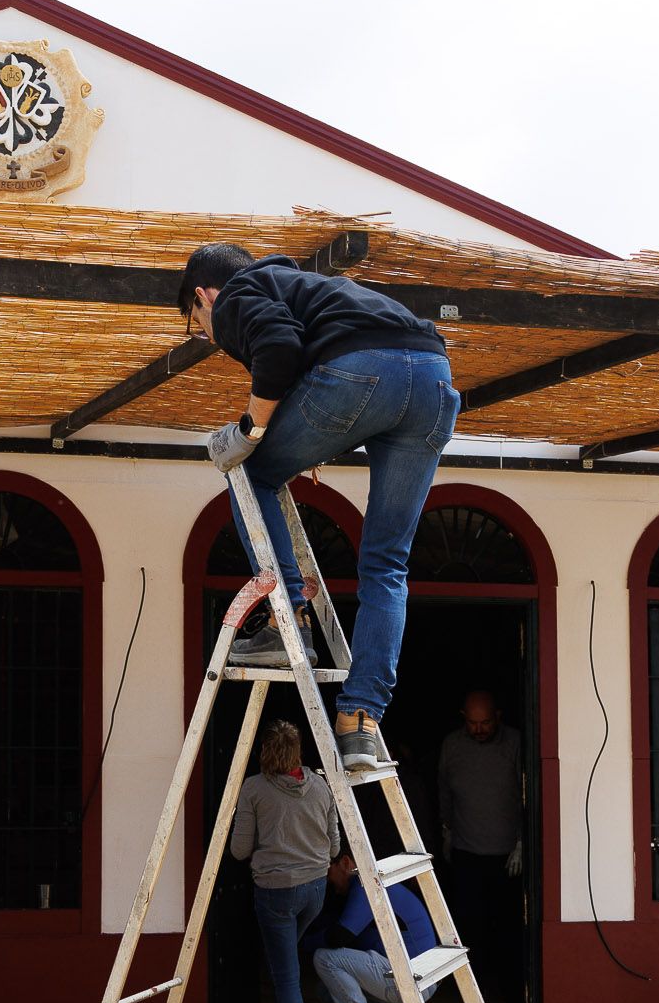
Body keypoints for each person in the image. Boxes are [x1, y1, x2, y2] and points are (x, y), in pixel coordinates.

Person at [183, 241, 460, 773]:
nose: (207, 334)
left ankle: (290, 620)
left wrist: (251, 429)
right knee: (387, 563)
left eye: (198, 322)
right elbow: (312, 353)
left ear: (203, 295)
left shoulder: (240, 291)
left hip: (360, 376)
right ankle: (360, 720)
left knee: (248, 469)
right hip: (433, 378)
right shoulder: (311, 287)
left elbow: (279, 350)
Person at [229, 719, 340, 1003]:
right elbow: (336, 846)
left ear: (264, 751)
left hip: (276, 891)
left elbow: (239, 850)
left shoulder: (254, 789)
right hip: (316, 890)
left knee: (286, 976)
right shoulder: (321, 785)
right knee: (286, 961)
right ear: (298, 752)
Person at [436, 690, 529, 1003]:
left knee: (509, 938)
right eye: (473, 723)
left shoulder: (516, 743)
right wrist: (446, 831)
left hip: (508, 858)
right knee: (468, 937)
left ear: (498, 716)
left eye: (485, 722)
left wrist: (523, 842)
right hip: (467, 855)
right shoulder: (452, 745)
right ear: (464, 717)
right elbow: (444, 791)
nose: (479, 729)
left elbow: (529, 793)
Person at [308, 850, 442, 1003]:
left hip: (413, 979)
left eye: (327, 872)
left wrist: (298, 943)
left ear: (345, 862)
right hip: (417, 977)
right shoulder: (369, 883)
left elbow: (339, 936)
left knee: (325, 959)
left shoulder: (366, 884)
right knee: (325, 989)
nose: (328, 882)